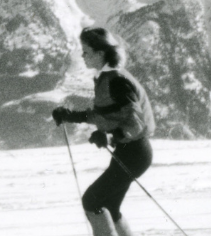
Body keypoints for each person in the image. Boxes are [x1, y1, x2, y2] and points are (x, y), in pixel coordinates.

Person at [53, 27, 155, 236]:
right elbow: (108, 114)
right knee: (109, 205)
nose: (82, 56)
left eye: (86, 51)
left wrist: (110, 136)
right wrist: (71, 116)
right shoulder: (109, 77)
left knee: (92, 201)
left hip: (134, 152)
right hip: (131, 152)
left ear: (100, 53)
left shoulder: (116, 80)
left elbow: (136, 123)